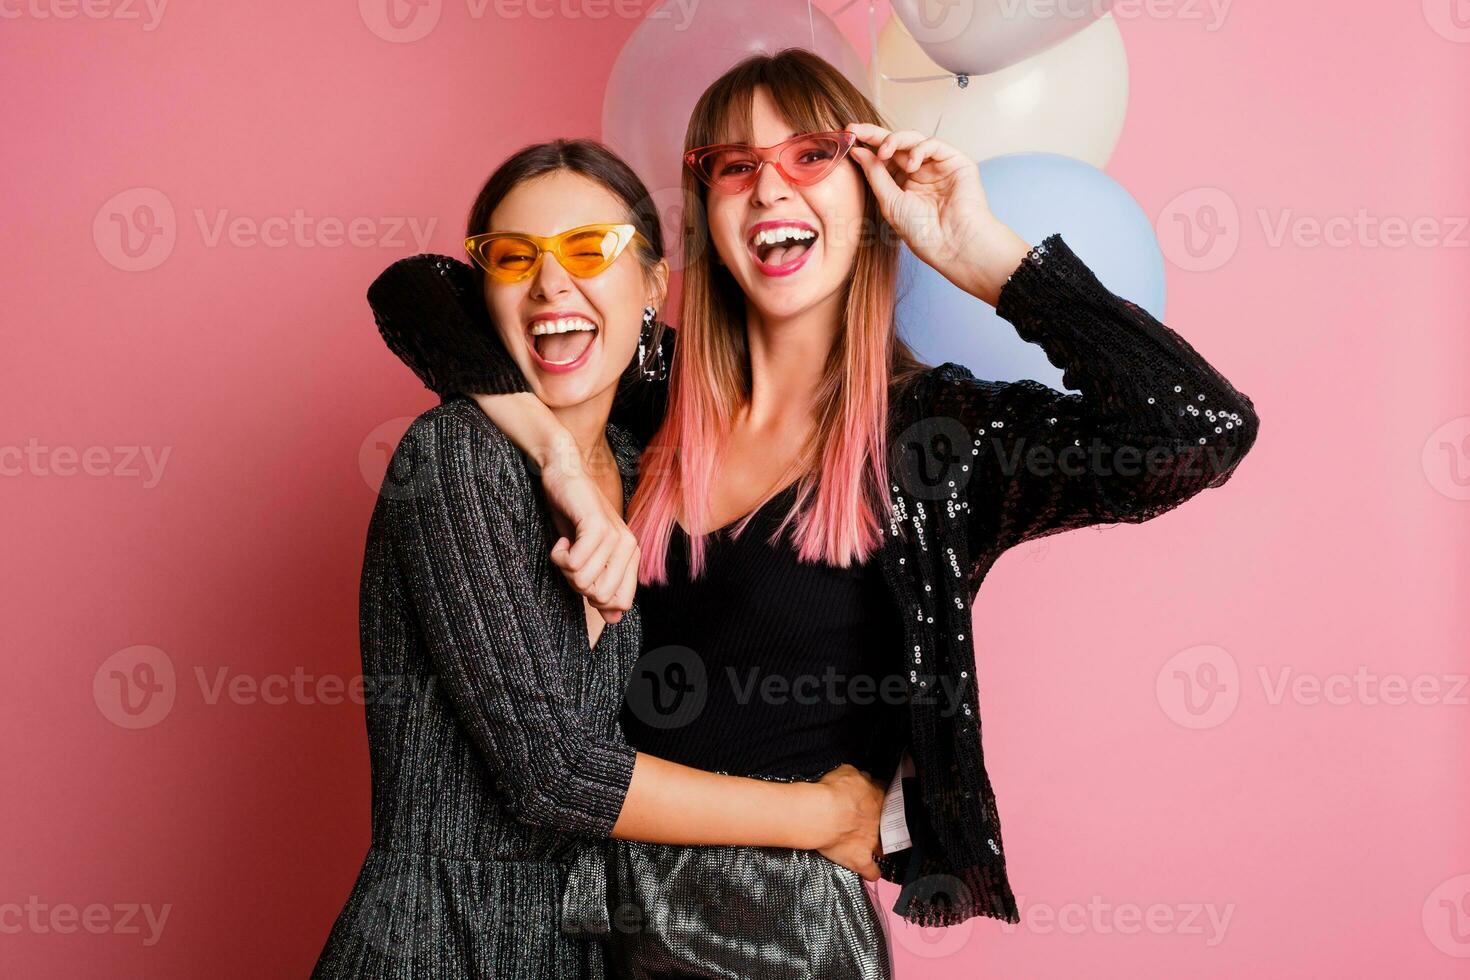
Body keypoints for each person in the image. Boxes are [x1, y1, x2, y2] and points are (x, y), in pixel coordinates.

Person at [372, 48, 1261, 978]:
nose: (769, 190)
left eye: (809, 157)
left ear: (869, 191)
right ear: (706, 217)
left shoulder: (934, 437)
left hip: (771, 933)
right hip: (589, 924)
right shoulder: (663, 392)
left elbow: (1198, 428)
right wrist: (556, 454)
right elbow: (422, 293)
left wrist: (981, 255)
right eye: (737, 167)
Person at [311, 137, 885, 980]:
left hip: (590, 949)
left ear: (654, 283)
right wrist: (824, 816)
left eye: (590, 249)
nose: (552, 284)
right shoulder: (454, 458)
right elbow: (553, 776)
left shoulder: (645, 453)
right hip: (434, 946)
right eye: (515, 259)